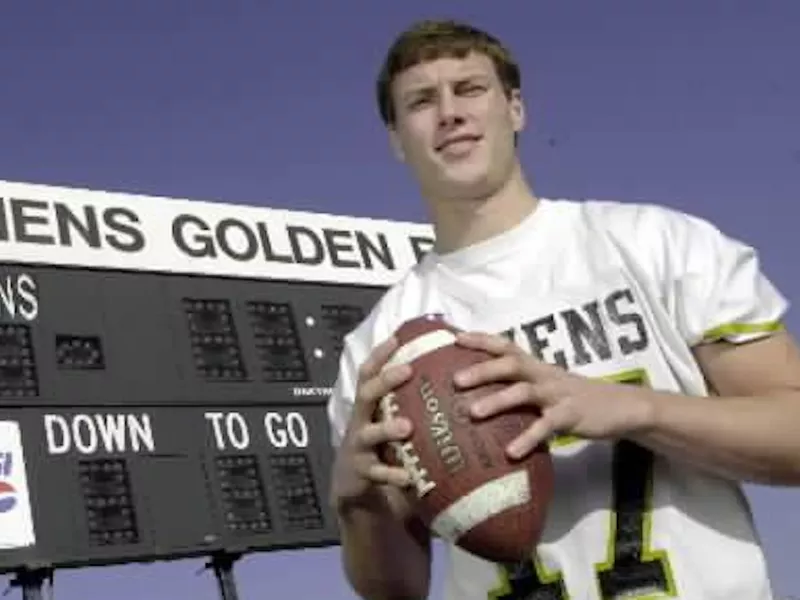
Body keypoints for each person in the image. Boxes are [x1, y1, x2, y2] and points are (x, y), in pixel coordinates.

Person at [326, 18, 800, 600]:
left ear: (516, 109)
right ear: (397, 139)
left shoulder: (658, 245)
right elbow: (394, 590)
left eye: (470, 88)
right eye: (421, 101)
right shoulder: (379, 348)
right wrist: (358, 505)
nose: (449, 112)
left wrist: (635, 408)